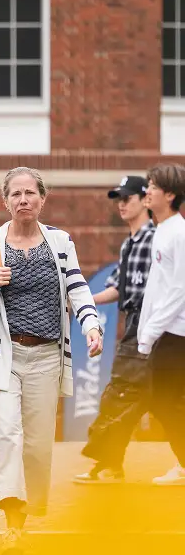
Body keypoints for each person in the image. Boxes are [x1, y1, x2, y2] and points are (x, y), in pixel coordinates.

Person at [0, 167, 103, 553]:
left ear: (42, 198)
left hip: (47, 356)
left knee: (37, 445)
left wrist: (91, 325)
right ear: (5, 201)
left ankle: (30, 507)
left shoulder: (59, 241)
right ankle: (13, 519)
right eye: (16, 194)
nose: (23, 200)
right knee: (7, 435)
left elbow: (76, 285)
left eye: (30, 193)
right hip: (1, 355)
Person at [74, 176, 155, 483]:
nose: (122, 204)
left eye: (128, 198)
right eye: (119, 199)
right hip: (137, 327)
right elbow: (117, 288)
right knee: (162, 400)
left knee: (121, 397)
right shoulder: (129, 244)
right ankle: (110, 464)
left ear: (145, 200)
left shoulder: (156, 240)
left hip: (151, 330)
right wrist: (83, 301)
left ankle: (109, 466)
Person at [137, 163, 185, 485]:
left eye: (153, 186)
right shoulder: (162, 231)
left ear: (170, 195)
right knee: (165, 399)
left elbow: (180, 287)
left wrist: (151, 332)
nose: (147, 191)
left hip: (176, 333)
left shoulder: (178, 233)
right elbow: (158, 287)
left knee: (163, 399)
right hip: (166, 332)